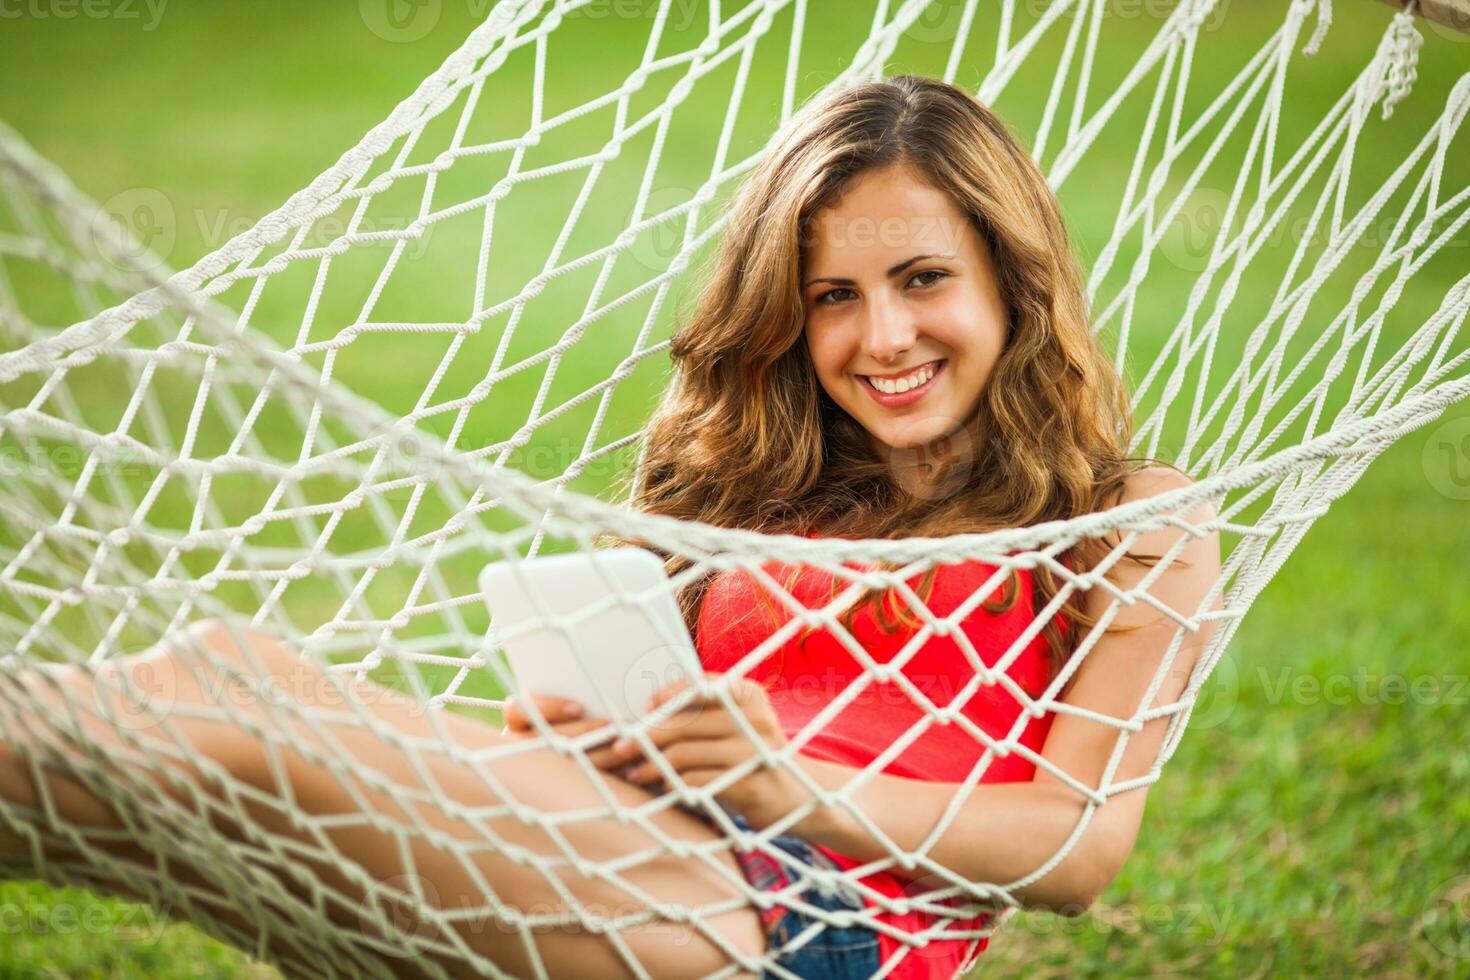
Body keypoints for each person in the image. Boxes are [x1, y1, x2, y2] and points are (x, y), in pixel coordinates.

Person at [0, 74, 1221, 980]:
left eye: (922, 279)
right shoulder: (755, 489)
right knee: (219, 697)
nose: (883, 338)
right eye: (832, 298)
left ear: (1010, 274)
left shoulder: (1124, 522)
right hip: (639, 859)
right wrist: (589, 737)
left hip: (808, 922)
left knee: (236, 713)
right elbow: (651, 732)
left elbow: (1076, 846)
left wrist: (786, 784)